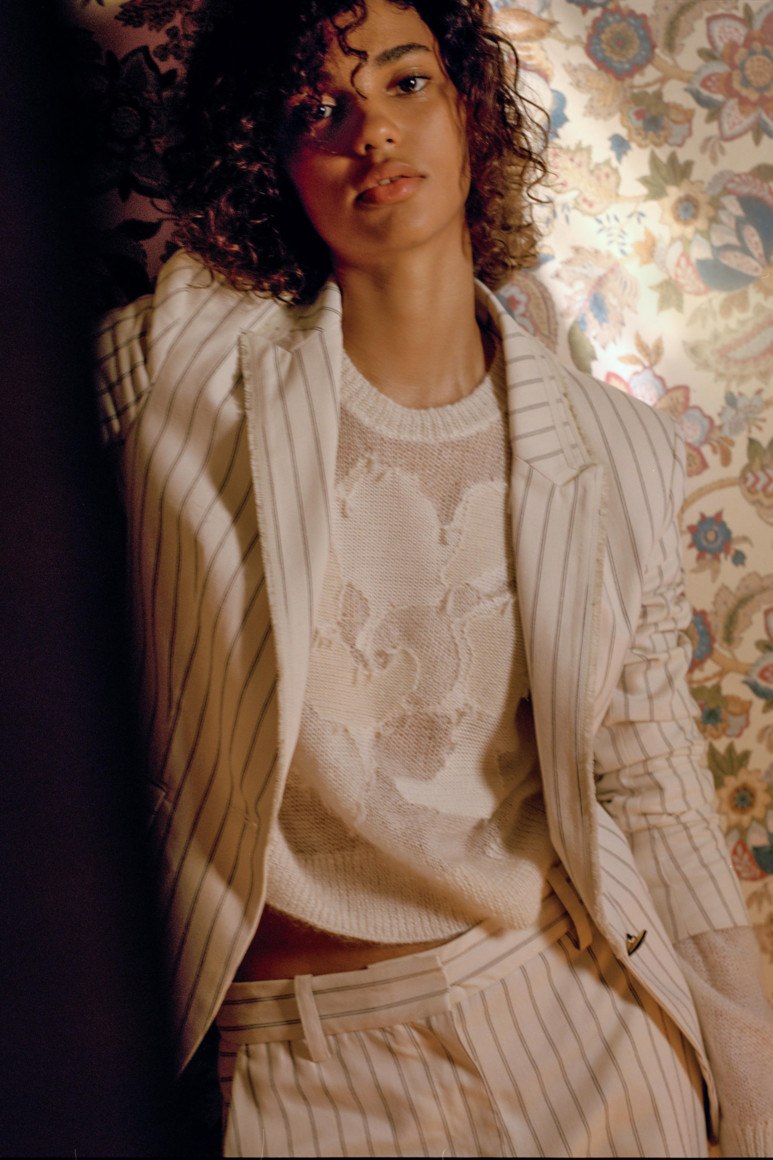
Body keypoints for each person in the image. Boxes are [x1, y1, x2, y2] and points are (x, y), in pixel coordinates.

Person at [95, 0, 773, 1155]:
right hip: (306, 1068)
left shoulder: (616, 447)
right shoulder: (173, 369)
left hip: (582, 1032)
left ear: (469, 113)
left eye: (404, 83)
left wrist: (750, 1098)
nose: (370, 130)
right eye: (318, 107)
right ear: (274, 162)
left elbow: (652, 782)